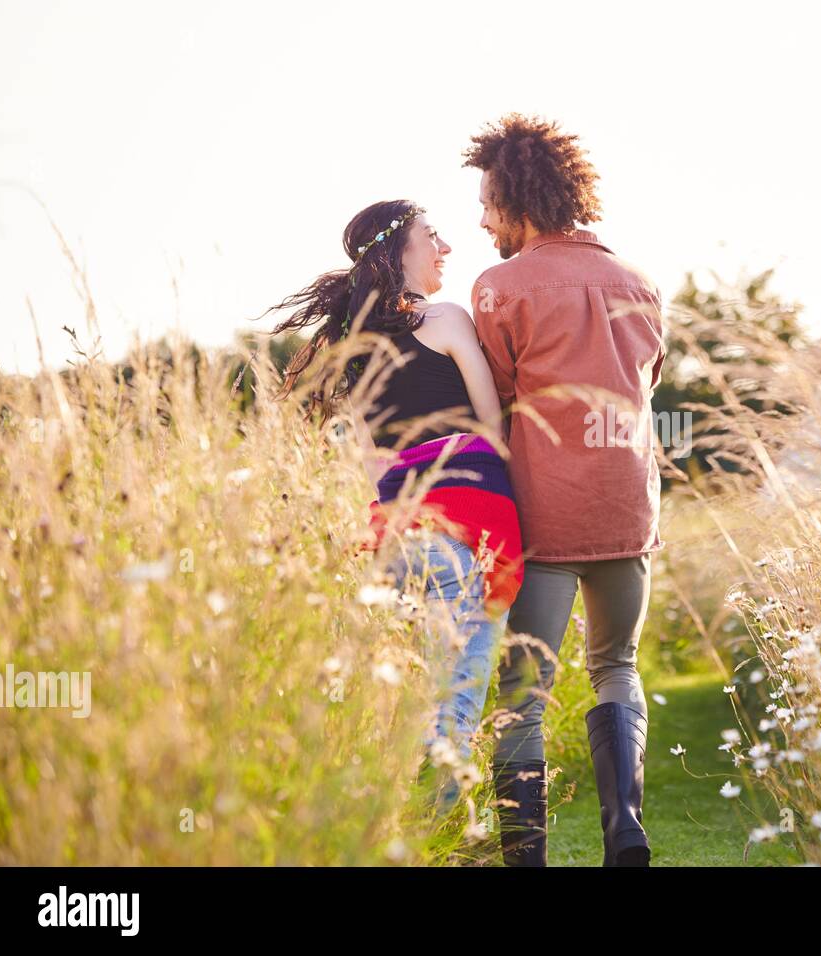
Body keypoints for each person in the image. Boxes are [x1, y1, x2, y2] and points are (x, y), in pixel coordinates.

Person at [262, 199, 523, 809]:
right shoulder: (449, 319)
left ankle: (382, 831)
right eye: (433, 236)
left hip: (392, 543)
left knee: (402, 710)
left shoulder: (351, 348)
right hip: (464, 539)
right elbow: (492, 429)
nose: (446, 248)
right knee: (453, 709)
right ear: (399, 250)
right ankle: (431, 837)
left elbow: (369, 465)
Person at [464, 115, 666, 866]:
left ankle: (527, 859)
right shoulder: (638, 280)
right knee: (616, 665)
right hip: (627, 505)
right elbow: (645, 384)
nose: (481, 221)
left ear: (517, 199)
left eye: (487, 204)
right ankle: (626, 830)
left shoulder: (498, 288)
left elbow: (498, 395)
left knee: (523, 688)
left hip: (543, 513)